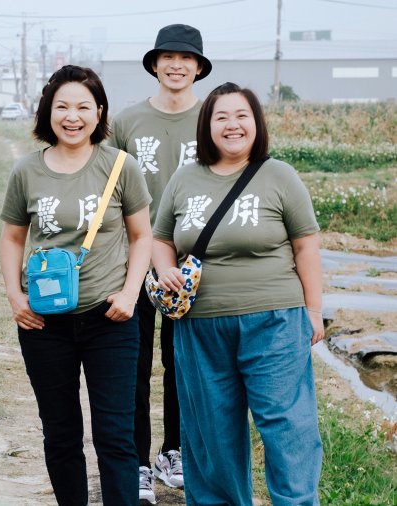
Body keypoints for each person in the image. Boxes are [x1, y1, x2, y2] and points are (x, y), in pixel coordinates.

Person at [151, 82, 324, 505]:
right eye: (221, 117)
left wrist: (313, 310)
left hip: (275, 320)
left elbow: (306, 246)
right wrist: (166, 269)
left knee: (288, 426)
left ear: (256, 123)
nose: (232, 125)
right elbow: (161, 238)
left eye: (241, 115)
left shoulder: (279, 175)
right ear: (207, 126)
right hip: (201, 326)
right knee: (210, 430)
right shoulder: (184, 178)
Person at [0, 65, 152, 506]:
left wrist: (130, 293)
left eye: (83, 107)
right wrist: (16, 297)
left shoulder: (120, 166)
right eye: (62, 106)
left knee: (115, 435)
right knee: (61, 432)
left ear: (99, 112)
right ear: (47, 112)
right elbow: (12, 238)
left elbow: (142, 235)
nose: (72, 117)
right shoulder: (26, 171)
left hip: (110, 319)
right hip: (44, 322)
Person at [106, 23, 212, 502]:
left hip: (191, 265)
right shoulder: (128, 122)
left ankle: (175, 451)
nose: (176, 65)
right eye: (168, 57)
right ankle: (136, 463)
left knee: (181, 362)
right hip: (133, 262)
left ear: (199, 67)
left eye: (186, 58)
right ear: (154, 64)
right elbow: (110, 191)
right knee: (132, 364)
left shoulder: (211, 118)